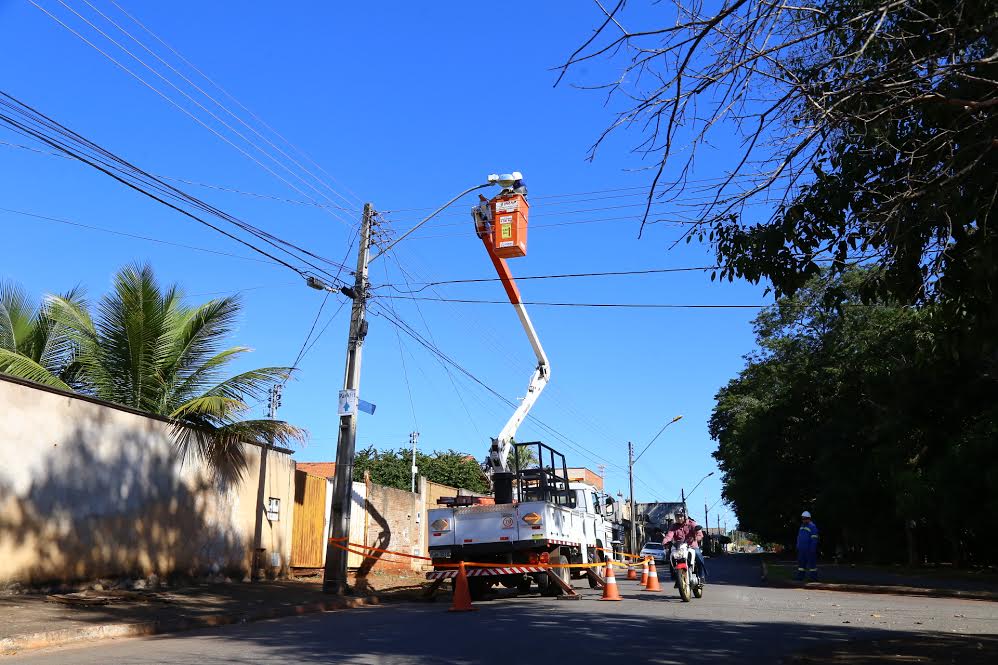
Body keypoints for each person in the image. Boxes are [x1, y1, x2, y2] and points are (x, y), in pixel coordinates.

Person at [661, 507, 706, 583]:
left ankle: (701, 576)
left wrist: (696, 538)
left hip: (691, 546)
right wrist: (665, 542)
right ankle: (676, 578)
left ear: (685, 516)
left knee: (698, 556)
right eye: (677, 516)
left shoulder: (692, 524)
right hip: (679, 547)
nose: (679, 518)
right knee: (671, 557)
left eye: (680, 516)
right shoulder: (674, 526)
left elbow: (699, 534)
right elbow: (669, 535)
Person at [796, 511, 819, 581]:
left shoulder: (812, 526)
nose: (804, 520)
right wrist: (798, 545)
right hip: (801, 549)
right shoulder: (801, 527)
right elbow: (799, 537)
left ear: (809, 518)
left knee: (812, 564)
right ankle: (800, 577)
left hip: (809, 549)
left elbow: (814, 538)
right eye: (803, 518)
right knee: (801, 565)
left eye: (805, 518)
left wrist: (812, 548)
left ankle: (813, 578)